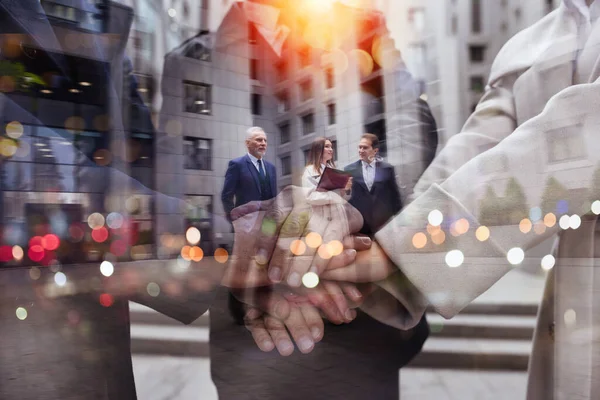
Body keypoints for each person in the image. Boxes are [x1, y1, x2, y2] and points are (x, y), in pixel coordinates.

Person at [239, 1, 600, 399]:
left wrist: (389, 252)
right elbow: (476, 152)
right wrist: (335, 252)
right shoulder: (535, 41)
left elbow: (583, 139)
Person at [344, 133, 403, 236]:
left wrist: (400, 222)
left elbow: (395, 197)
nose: (361, 150)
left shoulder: (387, 169)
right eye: (360, 147)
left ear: (375, 151)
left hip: (384, 226)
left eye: (365, 148)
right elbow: (345, 198)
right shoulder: (349, 170)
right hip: (359, 226)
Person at [221, 127, 277, 222]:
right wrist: (235, 220)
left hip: (268, 225)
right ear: (247, 143)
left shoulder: (271, 168)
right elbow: (226, 196)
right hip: (246, 225)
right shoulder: (237, 165)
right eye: (259, 140)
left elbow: (273, 198)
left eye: (265, 140)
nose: (263, 143)